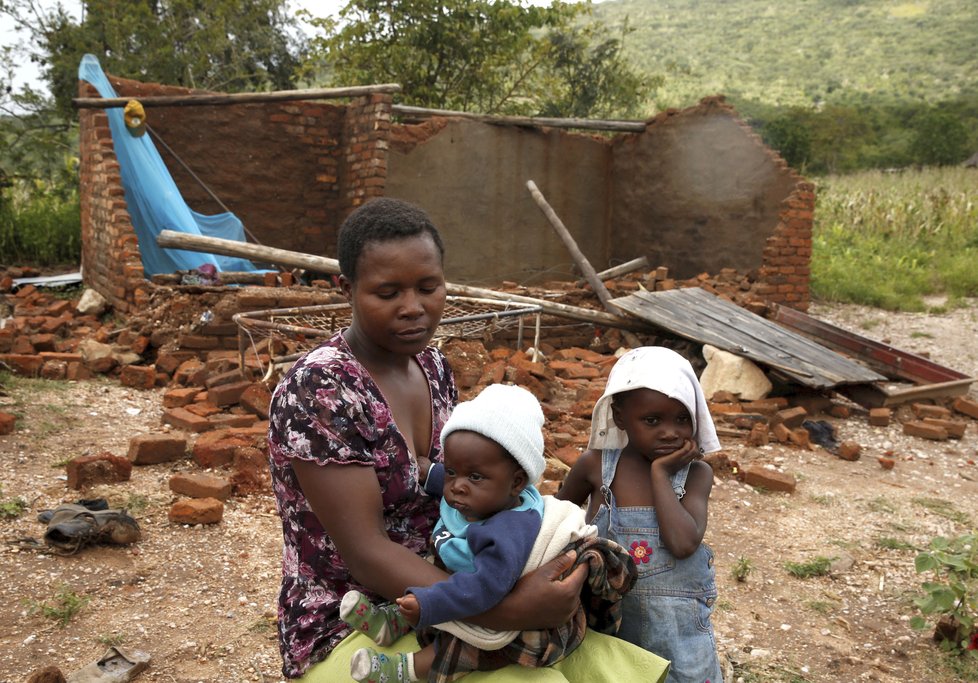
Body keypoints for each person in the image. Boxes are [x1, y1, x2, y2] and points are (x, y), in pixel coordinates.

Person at [267, 197, 670, 682]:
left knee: (606, 665)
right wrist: (507, 608)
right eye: (387, 292)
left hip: (456, 579)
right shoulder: (322, 389)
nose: (413, 308)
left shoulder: (431, 366)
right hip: (356, 614)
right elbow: (366, 552)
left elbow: (467, 486)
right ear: (347, 289)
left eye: (428, 287)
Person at [341, 383, 657, 682]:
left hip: (505, 607)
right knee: (427, 567)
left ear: (517, 483)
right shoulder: (482, 493)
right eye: (452, 471)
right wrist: (431, 472)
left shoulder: (507, 530)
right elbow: (457, 475)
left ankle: (402, 670)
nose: (457, 486)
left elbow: (482, 590)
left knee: (465, 647)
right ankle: (392, 622)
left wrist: (428, 604)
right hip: (465, 581)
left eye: (474, 476)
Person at [556, 346, 725, 683]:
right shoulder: (596, 466)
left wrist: (661, 474)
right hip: (607, 625)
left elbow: (683, 542)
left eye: (681, 419)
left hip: (677, 635)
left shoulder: (695, 474)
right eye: (652, 420)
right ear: (620, 417)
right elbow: (553, 521)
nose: (670, 432)